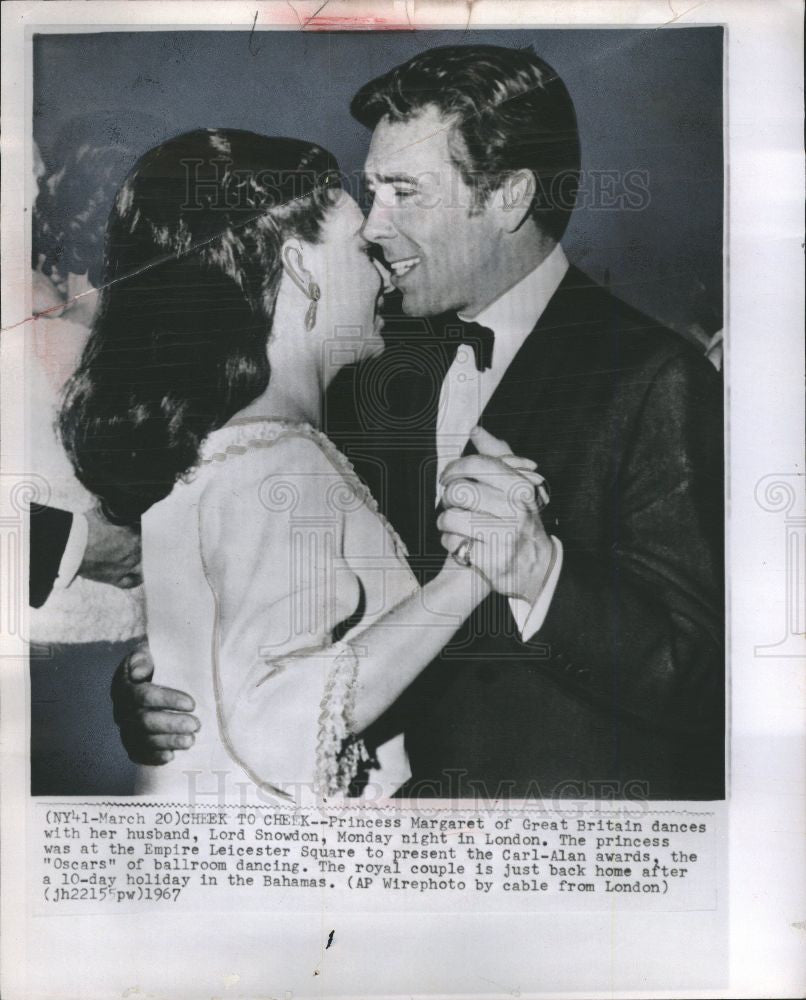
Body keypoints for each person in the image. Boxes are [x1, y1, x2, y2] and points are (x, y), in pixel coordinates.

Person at [114, 46, 724, 800]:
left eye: (404, 192)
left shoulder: (655, 378)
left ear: (508, 197)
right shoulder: (356, 361)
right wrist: (178, 683)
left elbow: (708, 682)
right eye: (371, 192)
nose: (373, 226)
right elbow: (294, 620)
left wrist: (541, 571)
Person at [61, 127, 516, 799]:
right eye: (362, 247)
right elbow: (278, 728)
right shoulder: (278, 462)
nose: (385, 266)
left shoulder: (211, 442)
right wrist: (475, 571)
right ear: (301, 267)